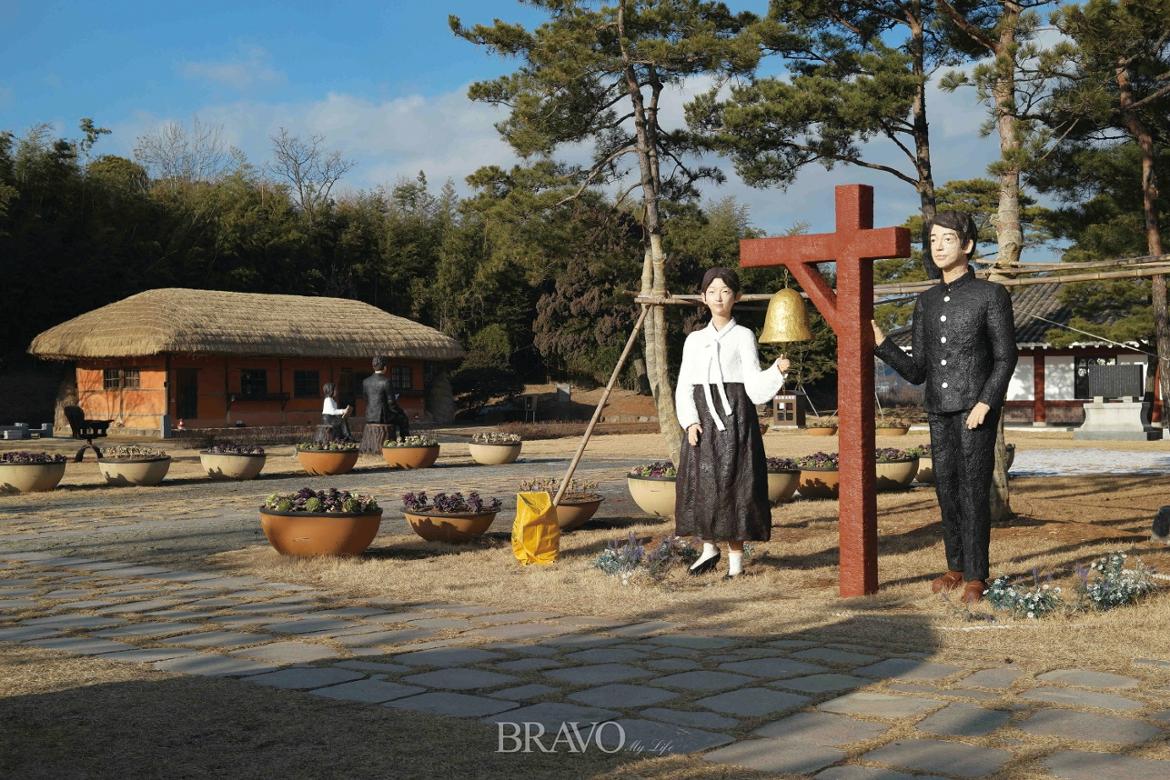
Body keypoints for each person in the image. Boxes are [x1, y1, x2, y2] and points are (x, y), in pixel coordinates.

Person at [872, 211, 1017, 604]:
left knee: (973, 491)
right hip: (938, 409)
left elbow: (1006, 358)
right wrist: (882, 343)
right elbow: (917, 370)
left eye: (947, 239)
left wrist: (986, 401)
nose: (937, 246)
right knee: (947, 489)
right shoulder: (927, 301)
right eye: (933, 239)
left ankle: (977, 575)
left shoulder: (990, 295)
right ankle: (955, 566)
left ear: (967, 245)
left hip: (974, 411)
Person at [675, 267, 790, 579]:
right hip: (703, 418)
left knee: (735, 485)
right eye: (712, 292)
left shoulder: (743, 336)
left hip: (736, 417)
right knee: (703, 483)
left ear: (736, 297)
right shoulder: (694, 340)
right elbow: (684, 385)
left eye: (725, 291)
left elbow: (753, 385)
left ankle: (736, 564)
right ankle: (708, 548)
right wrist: (689, 421)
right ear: (703, 297)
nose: (718, 298)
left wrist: (776, 371)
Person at [360, 356, 411, 454]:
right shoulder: (386, 381)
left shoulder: (365, 381)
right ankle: (405, 442)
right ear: (385, 367)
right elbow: (391, 403)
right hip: (384, 416)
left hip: (369, 416)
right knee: (403, 419)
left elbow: (365, 398)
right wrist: (400, 411)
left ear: (373, 366)